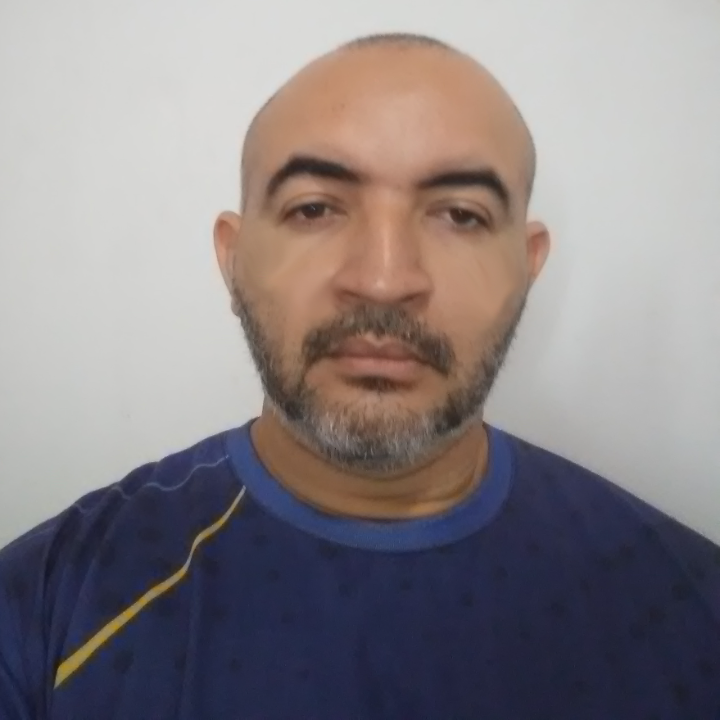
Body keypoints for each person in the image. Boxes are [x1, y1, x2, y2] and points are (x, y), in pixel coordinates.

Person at [1, 32, 719, 720]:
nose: (383, 280)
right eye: (314, 208)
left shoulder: (690, 606)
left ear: (527, 268)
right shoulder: (46, 610)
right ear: (234, 260)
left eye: (460, 216)